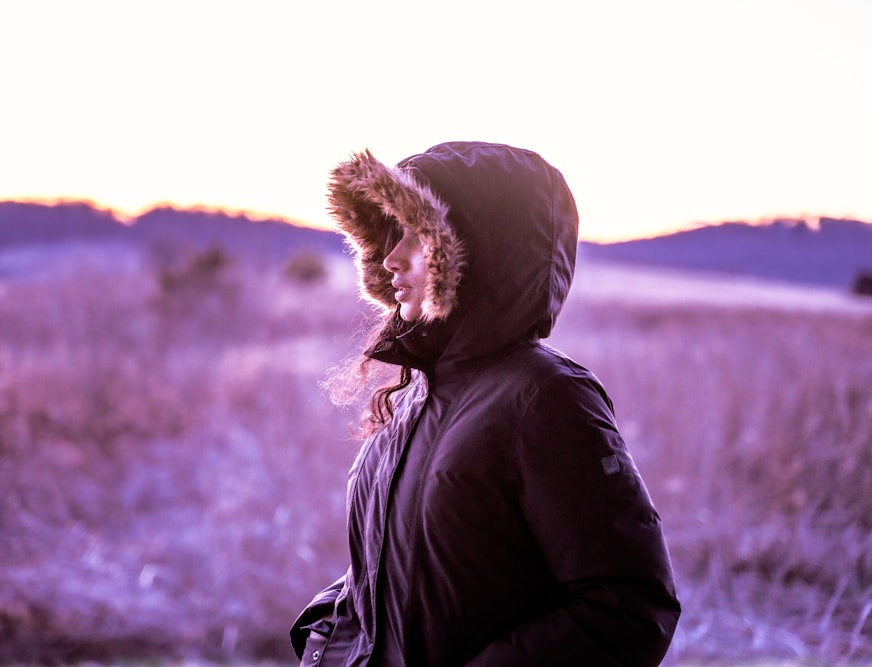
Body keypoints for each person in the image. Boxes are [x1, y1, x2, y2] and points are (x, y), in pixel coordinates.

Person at [290, 141, 680, 666]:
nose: (391, 257)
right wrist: (328, 640)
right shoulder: (418, 392)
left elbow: (628, 608)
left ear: (477, 248)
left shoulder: (546, 396)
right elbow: (404, 568)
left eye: (416, 234)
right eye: (389, 232)